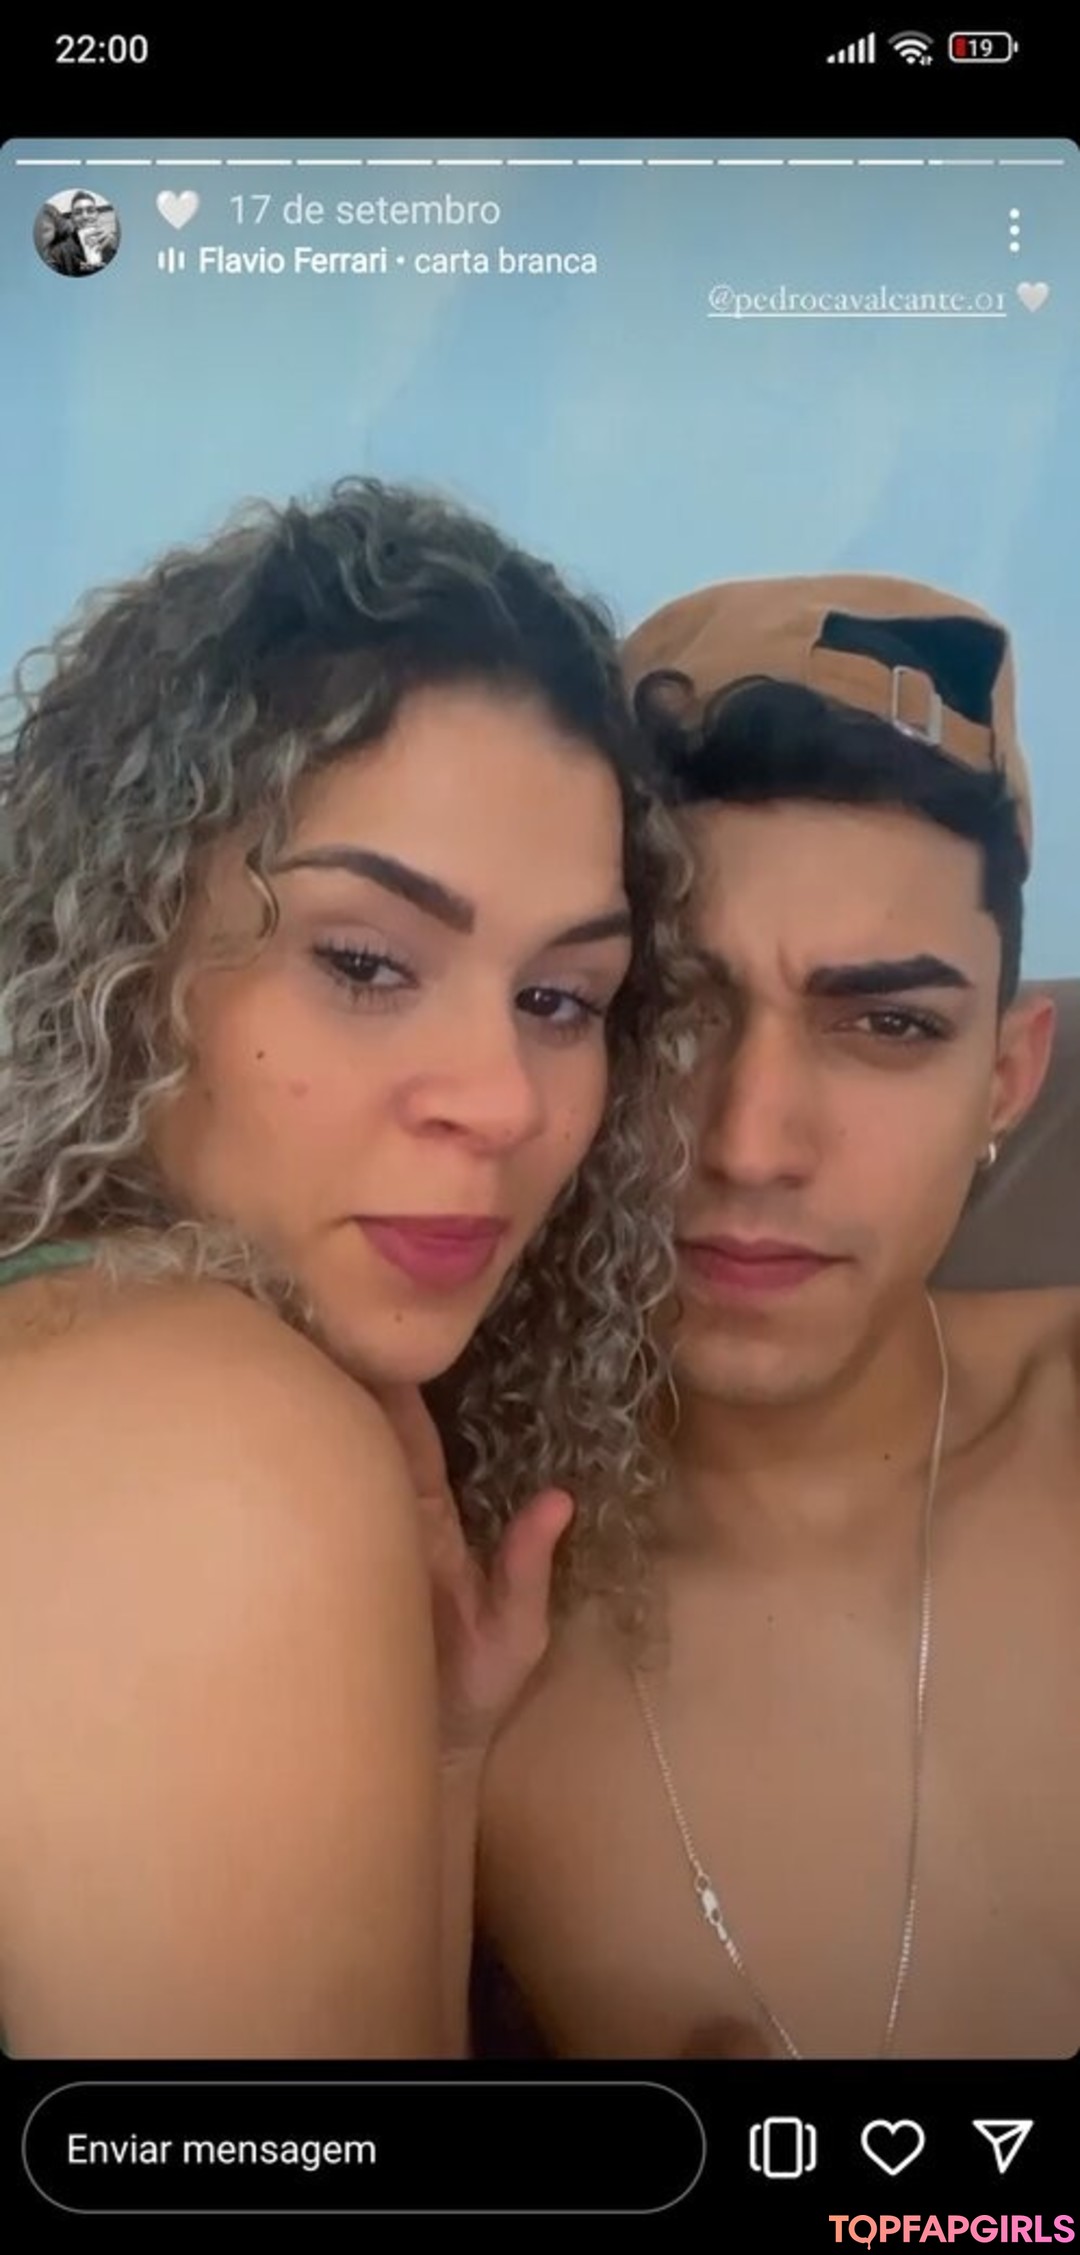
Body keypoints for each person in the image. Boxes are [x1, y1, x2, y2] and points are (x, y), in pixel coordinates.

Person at [0, 477, 695, 2059]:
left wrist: (436, 1757)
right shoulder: (208, 1438)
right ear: (121, 948)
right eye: (368, 963)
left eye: (562, 999)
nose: (502, 1101)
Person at [475, 571, 1080, 2062]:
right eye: (671, 1015)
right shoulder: (460, 1624)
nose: (751, 1145)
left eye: (889, 1026)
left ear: (1008, 1080)